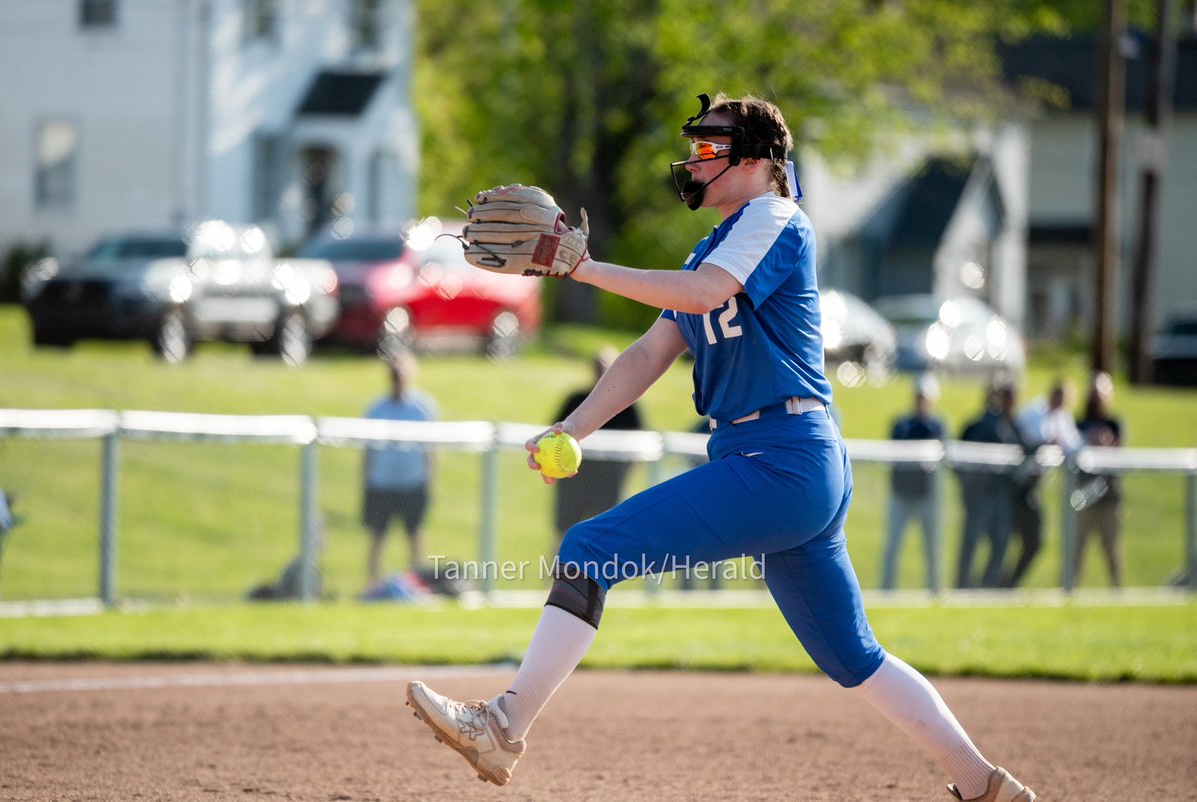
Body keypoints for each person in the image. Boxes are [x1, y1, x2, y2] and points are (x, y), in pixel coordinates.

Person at [405, 93, 1035, 801]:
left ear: (759, 160)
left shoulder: (774, 217)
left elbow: (706, 294)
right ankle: (983, 784)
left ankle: (503, 725)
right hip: (785, 462)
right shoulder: (720, 241)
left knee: (589, 549)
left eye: (712, 147)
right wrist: (572, 428)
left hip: (781, 459)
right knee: (854, 657)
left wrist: (583, 269)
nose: (696, 159)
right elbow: (650, 353)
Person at [552, 346, 644, 540]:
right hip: (576, 480)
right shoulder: (577, 399)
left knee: (607, 536)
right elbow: (556, 433)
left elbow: (638, 442)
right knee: (565, 535)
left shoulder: (627, 406)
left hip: (609, 480)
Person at [361, 350, 437, 585]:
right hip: (381, 483)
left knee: (415, 534)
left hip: (412, 482)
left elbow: (432, 449)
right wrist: (365, 480)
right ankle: (373, 585)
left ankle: (418, 584)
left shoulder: (422, 408)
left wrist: (430, 479)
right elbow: (368, 450)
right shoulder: (377, 409)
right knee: (378, 535)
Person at [1007, 380, 1082, 587]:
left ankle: (1008, 584)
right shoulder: (1033, 411)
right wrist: (1046, 444)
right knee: (1004, 537)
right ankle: (990, 583)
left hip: (1034, 489)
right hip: (1016, 485)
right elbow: (1023, 440)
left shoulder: (1063, 418)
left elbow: (1074, 446)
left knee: (1035, 542)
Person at [956, 382, 1026, 590]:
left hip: (1000, 497)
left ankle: (988, 585)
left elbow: (1019, 455)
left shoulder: (1011, 427)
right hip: (978, 498)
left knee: (1000, 544)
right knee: (971, 543)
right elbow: (959, 461)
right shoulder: (976, 427)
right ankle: (963, 584)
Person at [882, 373, 947, 592]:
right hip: (901, 494)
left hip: (926, 496)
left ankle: (935, 591)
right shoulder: (901, 424)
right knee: (892, 546)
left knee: (932, 547)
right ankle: (886, 590)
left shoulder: (937, 425)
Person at [1074, 371, 1124, 588]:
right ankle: (1070, 591)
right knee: (1076, 549)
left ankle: (1117, 593)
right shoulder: (1079, 424)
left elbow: (1120, 454)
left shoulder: (1114, 424)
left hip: (1109, 497)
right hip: (1082, 497)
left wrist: (1106, 446)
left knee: (1112, 549)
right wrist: (1088, 442)